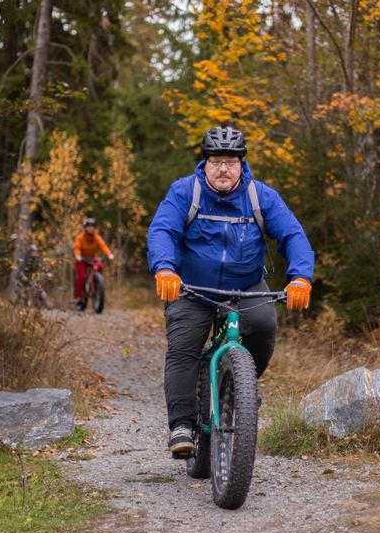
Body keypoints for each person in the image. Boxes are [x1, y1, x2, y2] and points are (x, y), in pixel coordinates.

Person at [147, 126, 315, 457]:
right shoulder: (185, 192)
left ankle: (241, 385)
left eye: (231, 162)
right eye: (216, 161)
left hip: (245, 286)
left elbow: (293, 235)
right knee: (183, 348)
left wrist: (300, 277)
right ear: (205, 163)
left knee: (263, 327)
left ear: (241, 164)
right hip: (191, 287)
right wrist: (165, 269)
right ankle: (182, 426)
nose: (223, 168)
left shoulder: (260, 196)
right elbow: (162, 230)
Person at [73, 217, 114, 310]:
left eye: (92, 226)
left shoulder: (96, 237)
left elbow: (103, 246)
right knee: (81, 277)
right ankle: (78, 298)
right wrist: (78, 255)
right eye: (88, 226)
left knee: (100, 265)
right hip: (81, 259)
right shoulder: (80, 238)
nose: (90, 228)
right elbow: (76, 248)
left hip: (92, 259)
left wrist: (109, 254)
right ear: (85, 228)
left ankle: (96, 283)